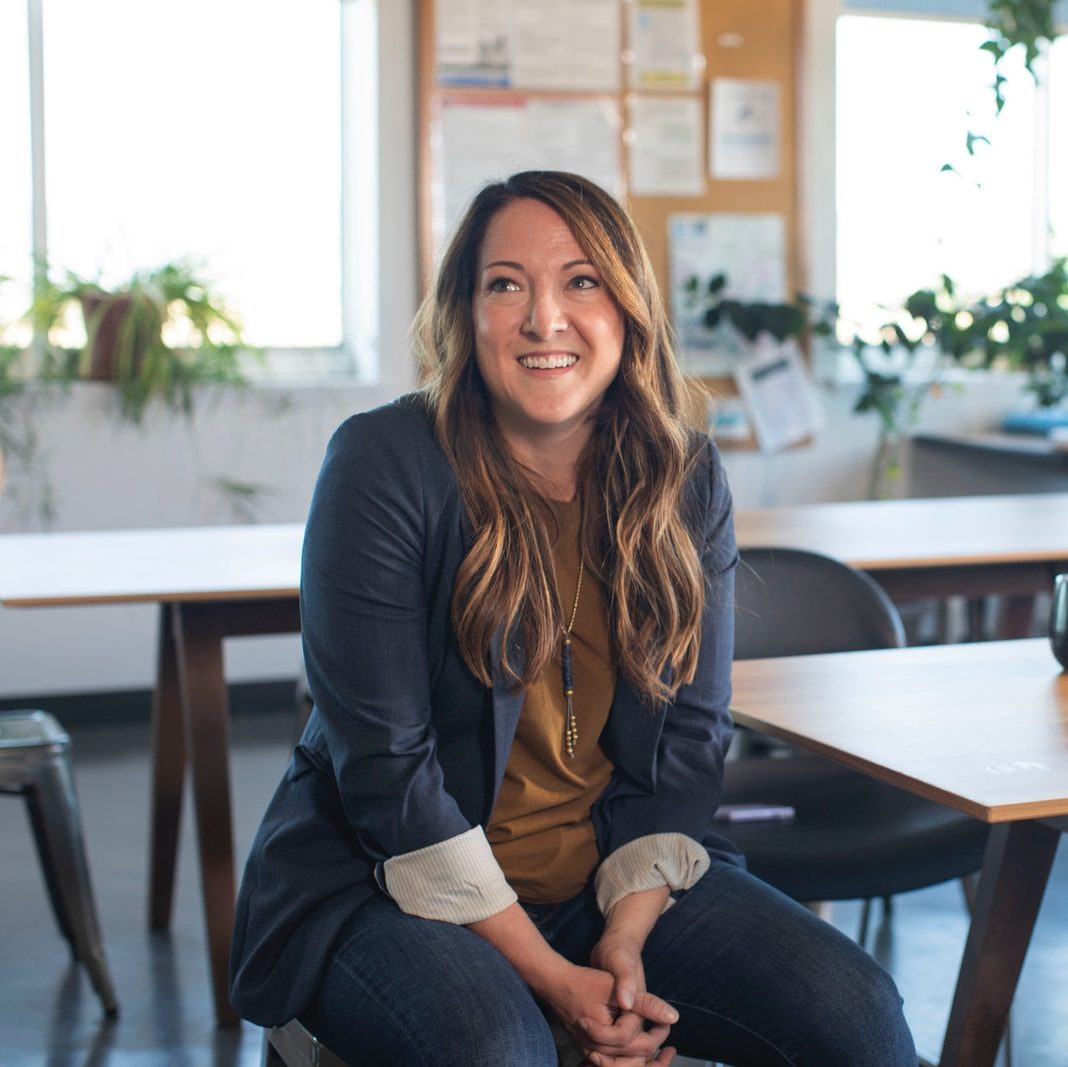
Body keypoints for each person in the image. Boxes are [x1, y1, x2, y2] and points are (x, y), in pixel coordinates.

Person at [230, 170, 917, 1066]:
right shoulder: (384, 462)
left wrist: (624, 945)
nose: (544, 318)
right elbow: (386, 774)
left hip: (607, 879)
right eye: (505, 283)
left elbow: (690, 742)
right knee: (498, 1047)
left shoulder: (685, 475)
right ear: (464, 314)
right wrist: (557, 985)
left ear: (627, 306)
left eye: (581, 281)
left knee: (855, 1012)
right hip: (385, 885)